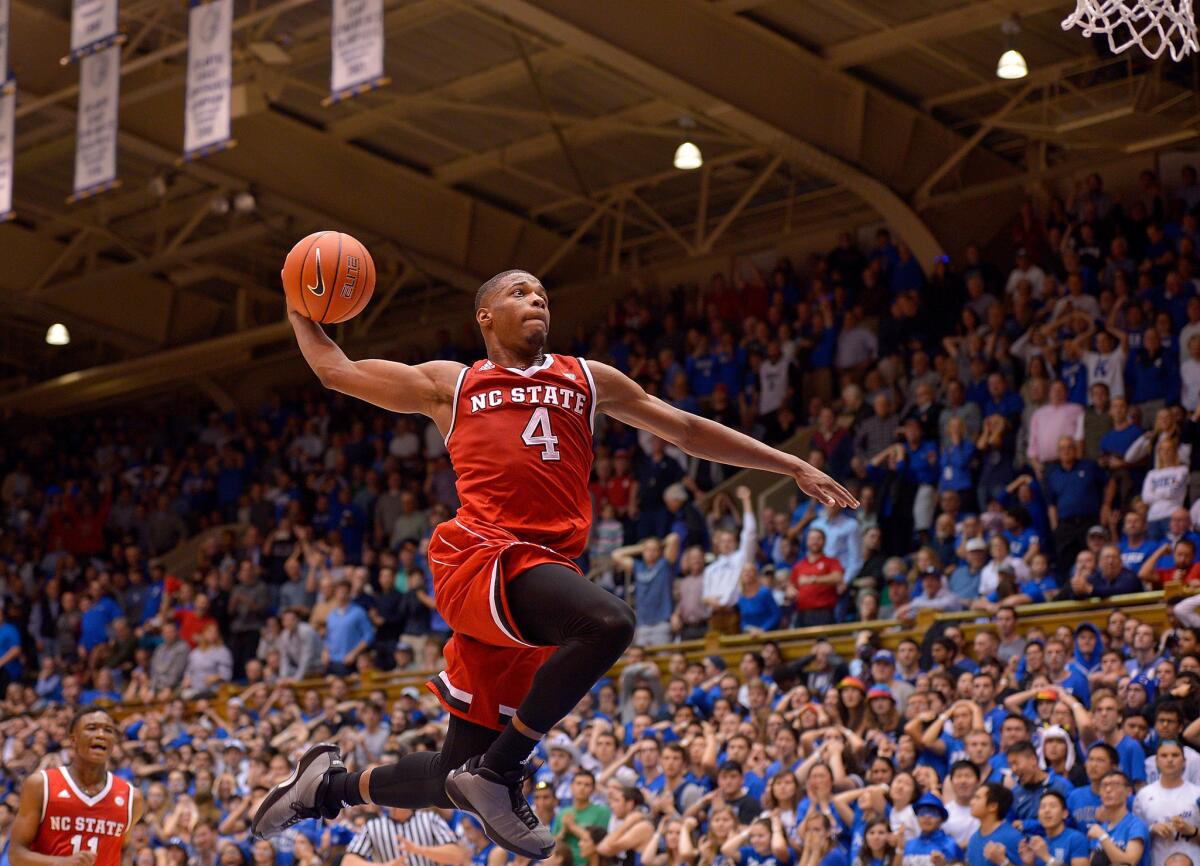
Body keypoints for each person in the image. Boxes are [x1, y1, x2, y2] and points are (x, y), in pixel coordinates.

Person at [252, 269, 856, 857]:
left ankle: (326, 788)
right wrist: (298, 300)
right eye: (520, 292)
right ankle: (504, 770)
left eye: (542, 294)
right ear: (485, 316)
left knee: (452, 773)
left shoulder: (587, 379)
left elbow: (688, 430)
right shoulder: (454, 384)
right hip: (484, 556)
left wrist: (792, 464)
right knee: (610, 623)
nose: (537, 300)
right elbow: (338, 371)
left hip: (543, 575)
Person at [8, 709, 145, 866]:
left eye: (108, 730)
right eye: (92, 728)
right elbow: (16, 855)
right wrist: (60, 863)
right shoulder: (41, 785)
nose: (101, 734)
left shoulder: (131, 797)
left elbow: (124, 850)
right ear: (73, 740)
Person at [1132, 741, 1200, 866]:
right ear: (1156, 761)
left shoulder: (1197, 794)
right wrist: (1152, 829)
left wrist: (1192, 831)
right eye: (1164, 756)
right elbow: (1134, 837)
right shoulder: (1143, 795)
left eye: (1175, 755)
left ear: (1184, 761)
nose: (1169, 760)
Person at [342, 807, 463, 866]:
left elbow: (457, 856)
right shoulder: (373, 826)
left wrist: (419, 850)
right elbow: (347, 862)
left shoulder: (430, 819)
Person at [1087, 773, 1149, 866]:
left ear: (1128, 792)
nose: (1108, 790)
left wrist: (1102, 836)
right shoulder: (1100, 828)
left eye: (1115, 785)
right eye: (1104, 786)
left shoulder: (1136, 825)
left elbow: (1129, 862)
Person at [1020, 790, 1088, 866]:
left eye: (1053, 806)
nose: (1047, 810)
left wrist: (1047, 858)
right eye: (1042, 807)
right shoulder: (1040, 844)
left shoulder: (1076, 839)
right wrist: (1029, 863)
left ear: (1065, 813)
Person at [967, 783, 1022, 866]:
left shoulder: (1013, 837)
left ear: (993, 806)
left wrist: (1004, 862)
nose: (971, 802)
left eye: (977, 798)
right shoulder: (973, 839)